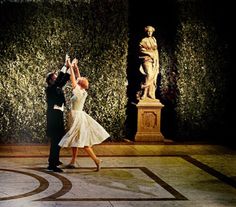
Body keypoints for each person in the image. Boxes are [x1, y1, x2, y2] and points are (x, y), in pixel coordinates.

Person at [59, 58, 110, 171]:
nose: (77, 79)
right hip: (76, 116)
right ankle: (73, 161)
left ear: (80, 84)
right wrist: (76, 68)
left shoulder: (78, 91)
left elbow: (73, 79)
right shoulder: (82, 90)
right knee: (75, 140)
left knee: (83, 141)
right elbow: (77, 78)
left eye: (79, 80)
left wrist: (70, 66)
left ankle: (96, 160)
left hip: (77, 117)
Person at [45, 54, 70, 172]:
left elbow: (63, 79)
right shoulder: (50, 88)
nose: (56, 80)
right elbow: (60, 78)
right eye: (54, 78)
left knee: (59, 139)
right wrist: (65, 65)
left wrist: (71, 67)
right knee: (56, 140)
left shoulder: (56, 87)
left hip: (58, 116)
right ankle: (52, 164)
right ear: (50, 81)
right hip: (54, 117)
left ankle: (55, 160)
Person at [138, 25, 160, 100]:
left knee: (153, 77)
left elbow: (156, 50)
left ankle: (149, 94)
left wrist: (156, 60)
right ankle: (143, 90)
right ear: (146, 32)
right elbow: (141, 50)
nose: (149, 33)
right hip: (146, 59)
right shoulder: (144, 40)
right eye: (148, 31)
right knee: (149, 75)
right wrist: (149, 53)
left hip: (154, 60)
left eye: (151, 31)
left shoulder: (154, 39)